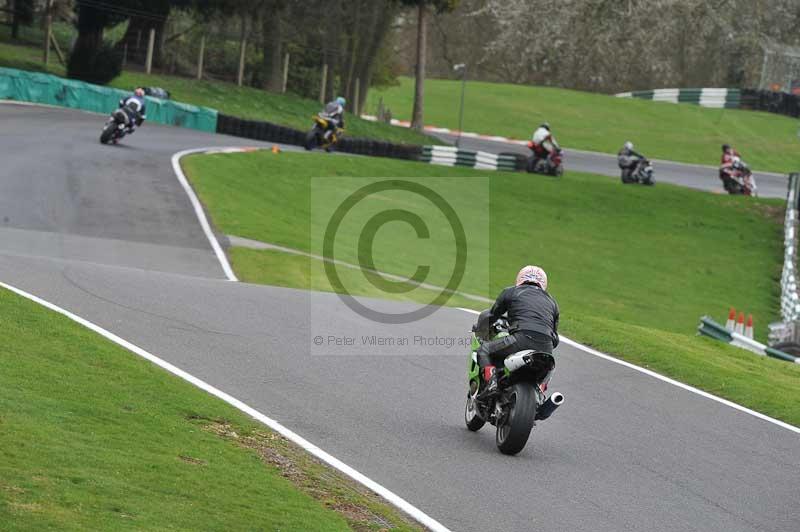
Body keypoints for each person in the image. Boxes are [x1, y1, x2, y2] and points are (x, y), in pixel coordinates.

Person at [475, 265, 560, 396]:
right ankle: (540, 394)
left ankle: (491, 383)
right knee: (548, 365)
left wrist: (480, 329)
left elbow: (491, 316)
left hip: (520, 339)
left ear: (520, 278)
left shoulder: (511, 292)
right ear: (543, 283)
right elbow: (555, 339)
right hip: (546, 347)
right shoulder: (553, 302)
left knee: (484, 350)